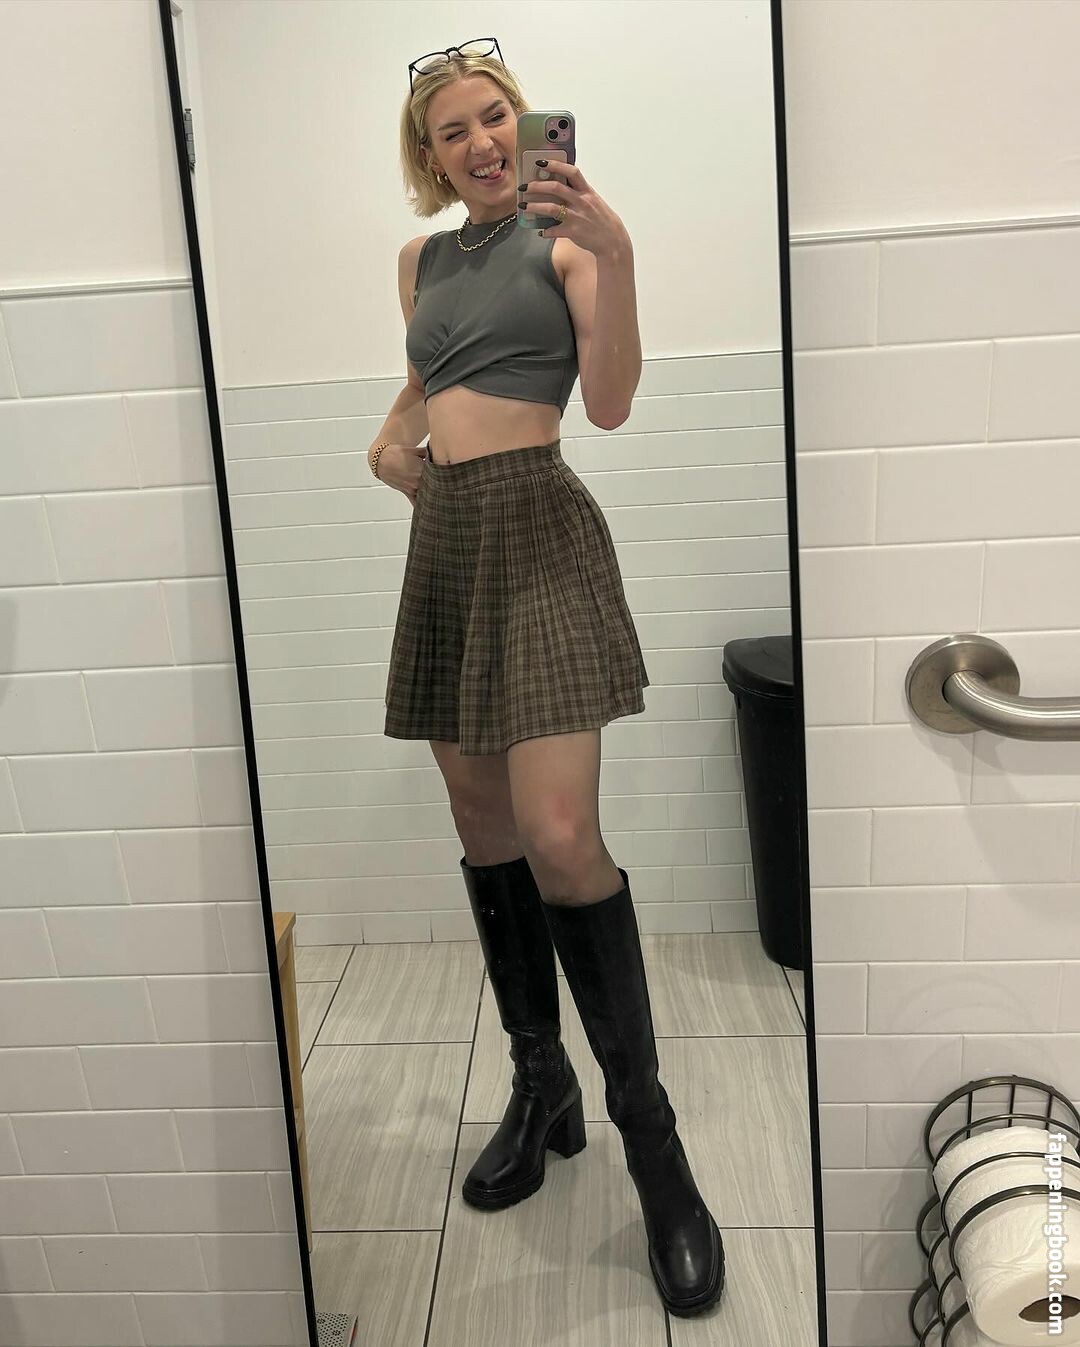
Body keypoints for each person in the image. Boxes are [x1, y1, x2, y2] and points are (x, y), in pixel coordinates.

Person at [370, 39, 724, 1318]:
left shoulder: (568, 243)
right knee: (483, 828)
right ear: (429, 154)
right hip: (449, 541)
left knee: (562, 836)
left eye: (494, 117)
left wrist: (616, 255)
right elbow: (428, 383)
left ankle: (656, 1152)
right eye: (452, 129)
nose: (479, 141)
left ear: (526, 127)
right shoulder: (419, 263)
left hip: (540, 527)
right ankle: (543, 1087)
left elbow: (610, 402)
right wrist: (390, 439)